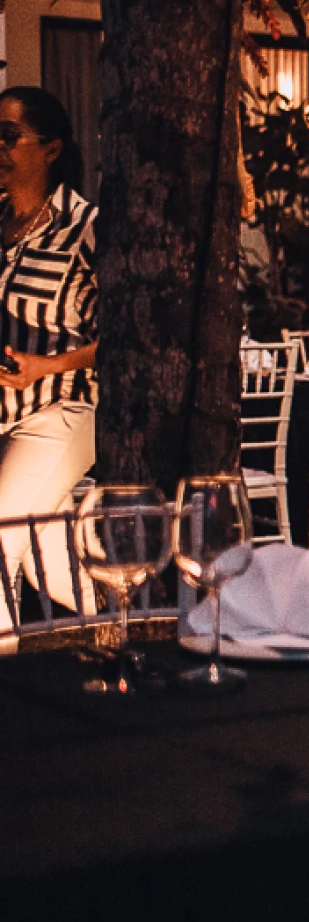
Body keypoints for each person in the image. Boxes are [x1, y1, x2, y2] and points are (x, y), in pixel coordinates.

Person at [0, 87, 98, 630]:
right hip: (7, 417)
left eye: (9, 136)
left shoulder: (83, 228)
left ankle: (9, 700)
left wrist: (47, 366)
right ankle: (123, 638)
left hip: (63, 412)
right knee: (49, 557)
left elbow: (127, 335)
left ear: (51, 149)